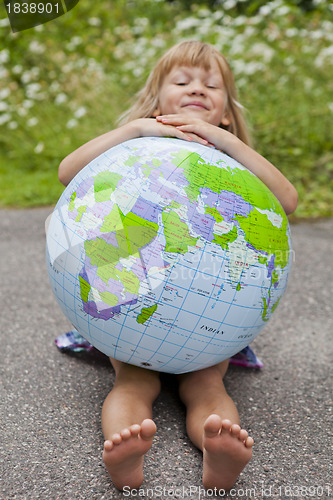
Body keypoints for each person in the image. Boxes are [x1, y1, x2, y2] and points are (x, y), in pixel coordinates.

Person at [58, 41, 298, 491]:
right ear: (157, 100)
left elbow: (287, 201)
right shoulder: (137, 148)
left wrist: (225, 140)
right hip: (131, 305)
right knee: (132, 380)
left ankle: (218, 452)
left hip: (211, 320)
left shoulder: (231, 164)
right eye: (183, 81)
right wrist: (136, 130)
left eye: (212, 85)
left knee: (207, 384)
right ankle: (124, 450)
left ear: (227, 110)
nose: (197, 90)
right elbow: (68, 171)